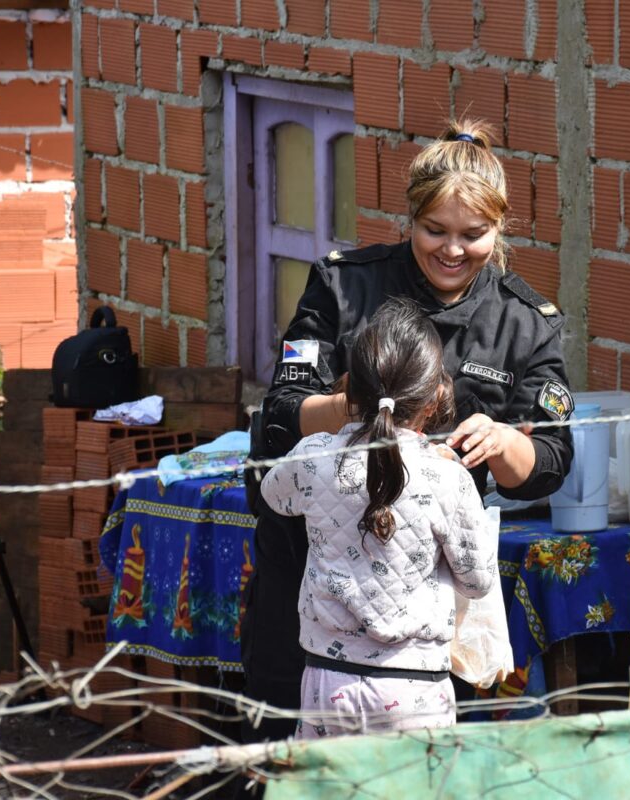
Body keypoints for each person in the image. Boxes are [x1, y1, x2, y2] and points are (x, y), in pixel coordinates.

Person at [241, 120, 574, 741]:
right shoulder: (346, 286)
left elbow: (552, 458)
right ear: (409, 219)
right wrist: (362, 409)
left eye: (474, 236)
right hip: (315, 598)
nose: (452, 251)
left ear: (499, 231)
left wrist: (504, 444)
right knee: (293, 767)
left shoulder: (524, 323)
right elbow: (280, 417)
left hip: (427, 625)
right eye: (434, 231)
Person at [258, 298, 496, 736]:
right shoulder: (447, 478)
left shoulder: (315, 458)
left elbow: (272, 493)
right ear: (435, 398)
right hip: (417, 689)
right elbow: (477, 581)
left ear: (349, 391)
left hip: (328, 682)